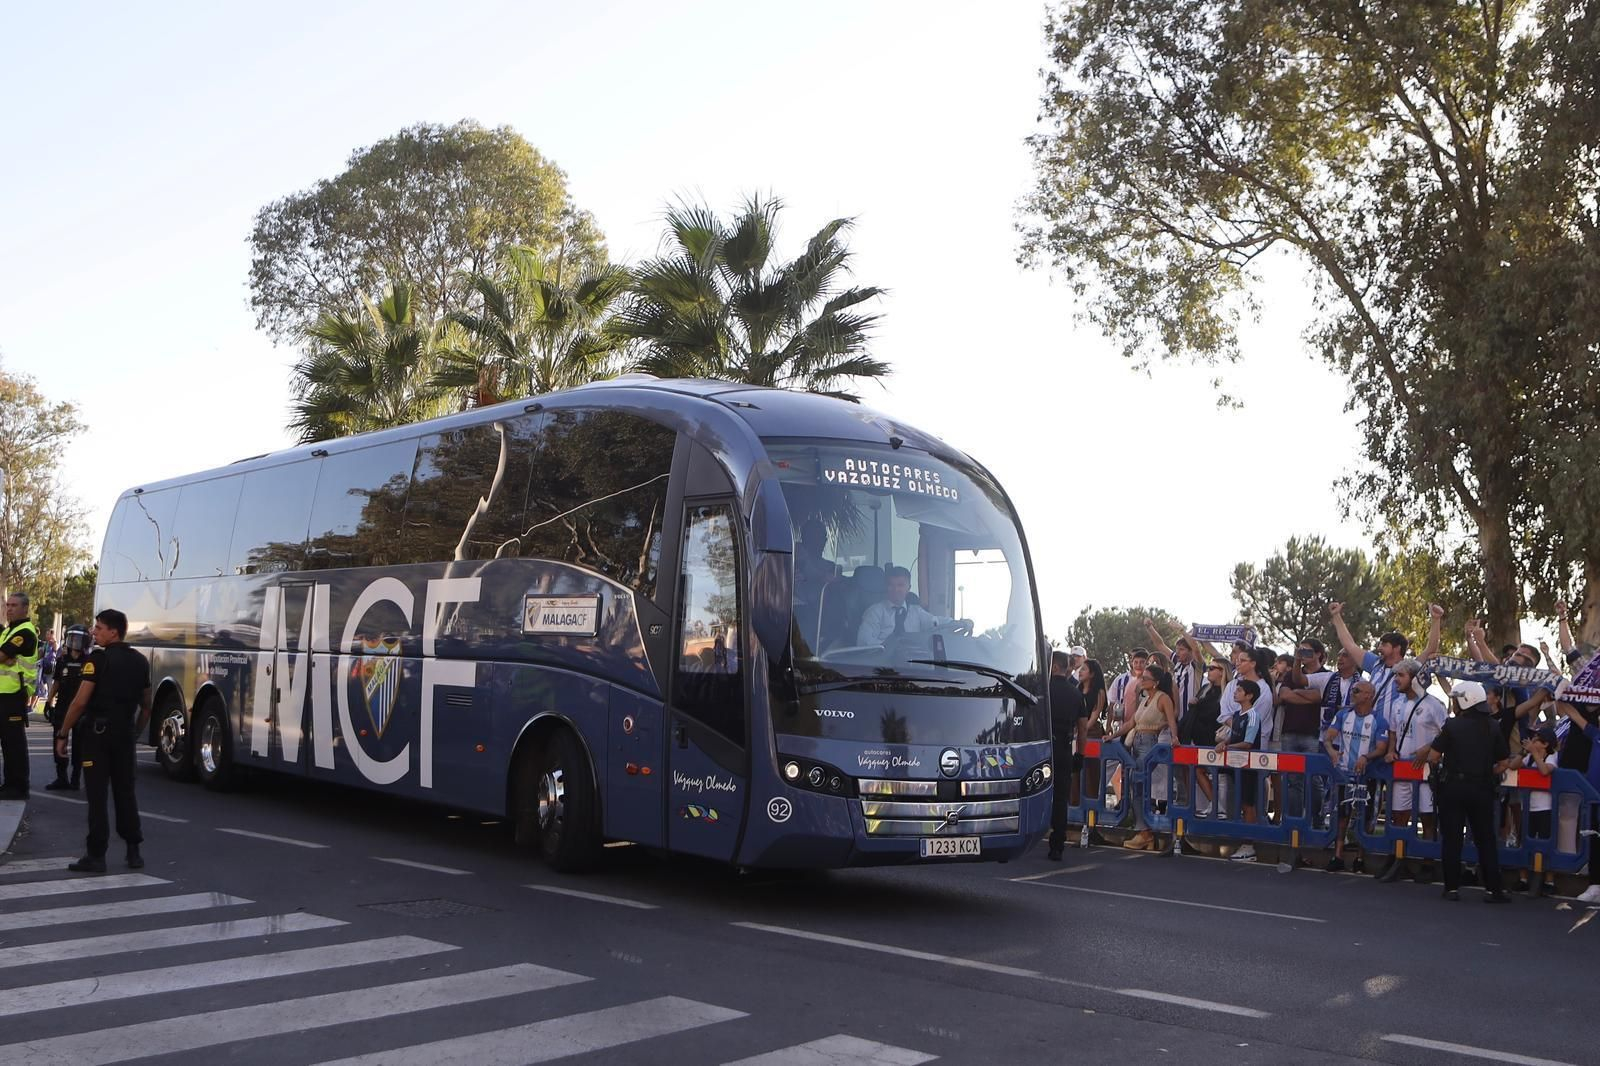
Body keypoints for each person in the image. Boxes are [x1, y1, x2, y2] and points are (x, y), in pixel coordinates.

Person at [55, 609, 151, 873]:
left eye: (99, 628)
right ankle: (134, 851)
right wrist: (135, 732)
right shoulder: (140, 661)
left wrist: (63, 733)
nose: (94, 632)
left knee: (97, 796)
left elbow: (80, 702)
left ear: (114, 632)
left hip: (98, 735)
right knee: (125, 792)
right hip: (125, 736)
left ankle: (96, 855)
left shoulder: (98, 659)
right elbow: (147, 706)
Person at [1412, 679, 1513, 902]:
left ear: (1466, 701)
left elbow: (1434, 756)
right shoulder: (1493, 726)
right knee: (1486, 839)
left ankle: (1451, 888)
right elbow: (1504, 762)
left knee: (1452, 838)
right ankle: (1493, 890)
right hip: (1482, 788)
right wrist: (1488, 772)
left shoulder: (1452, 725)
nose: (1455, 705)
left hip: (1454, 788)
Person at [1381, 658, 1447, 882]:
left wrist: (1427, 749)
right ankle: (1398, 859)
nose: (1396, 680)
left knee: (1427, 818)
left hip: (1425, 771)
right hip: (1402, 769)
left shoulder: (1434, 704)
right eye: (1395, 675)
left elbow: (1447, 733)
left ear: (1416, 679)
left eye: (1401, 676)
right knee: (1399, 815)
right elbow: (1393, 731)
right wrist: (1391, 750)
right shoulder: (1397, 703)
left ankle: (1428, 864)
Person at [1113, 661, 1180, 851]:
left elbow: (1171, 720)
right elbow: (1131, 723)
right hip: (1136, 742)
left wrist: (1174, 737)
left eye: (1145, 678)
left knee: (1139, 784)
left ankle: (1144, 831)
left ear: (1155, 682)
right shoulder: (1144, 700)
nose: (1141, 681)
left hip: (1149, 743)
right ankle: (1143, 831)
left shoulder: (1163, 698)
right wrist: (1113, 735)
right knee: (1135, 786)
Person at [1323, 680, 1388, 872]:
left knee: (1366, 817)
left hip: (1368, 776)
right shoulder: (1343, 714)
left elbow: (1382, 748)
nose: (1353, 693)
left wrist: (1366, 757)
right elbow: (1328, 737)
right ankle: (1338, 856)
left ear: (1369, 695)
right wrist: (1331, 750)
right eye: (1353, 690)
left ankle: (1360, 857)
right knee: (1342, 815)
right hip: (1345, 774)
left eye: (1357, 690)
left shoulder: (1379, 720)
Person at [1046, 650, 1089, 860]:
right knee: (1061, 797)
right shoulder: (1076, 694)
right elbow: (1083, 728)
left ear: (1054, 667)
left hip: (1042, 748)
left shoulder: (1043, 691)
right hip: (1064, 748)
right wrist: (1080, 754)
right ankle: (1057, 844)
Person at [1216, 678, 1264, 861]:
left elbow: (1248, 742)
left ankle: (1249, 845)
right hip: (1234, 762)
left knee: (1248, 804)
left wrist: (1227, 747)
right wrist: (1225, 742)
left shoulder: (1253, 715)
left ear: (1249, 695)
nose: (1235, 693)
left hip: (1247, 765)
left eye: (1239, 691)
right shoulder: (1237, 714)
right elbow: (1235, 735)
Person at [0, 591, 41, 799]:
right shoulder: (9, 631)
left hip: (15, 694)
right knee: (7, 743)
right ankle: (9, 785)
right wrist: (6, 658)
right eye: (8, 605)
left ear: (25, 609)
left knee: (14, 743)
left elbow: (1, 656)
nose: (9, 609)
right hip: (4, 694)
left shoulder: (24, 632)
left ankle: (18, 787)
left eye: (14, 605)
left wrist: (6, 657)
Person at [855, 566, 963, 646]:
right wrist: (890, 645)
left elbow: (936, 622)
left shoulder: (916, 612)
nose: (895, 589)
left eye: (900, 585)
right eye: (891, 585)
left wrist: (958, 623)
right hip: (882, 664)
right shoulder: (874, 612)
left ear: (908, 588)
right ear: (886, 587)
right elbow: (863, 642)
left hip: (912, 664)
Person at [44, 626, 92, 791]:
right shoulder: (62, 660)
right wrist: (48, 701)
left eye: (79, 639)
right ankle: (61, 777)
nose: (75, 642)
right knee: (59, 739)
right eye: (73, 638)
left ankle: (75, 778)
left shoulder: (89, 661)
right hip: (62, 706)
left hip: (81, 709)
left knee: (79, 744)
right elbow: (56, 682)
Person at [1512, 727, 1558, 896]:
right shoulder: (1530, 757)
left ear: (1545, 744)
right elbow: (1513, 765)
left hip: (1545, 807)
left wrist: (1535, 753)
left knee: (1547, 844)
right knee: (1524, 842)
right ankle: (1523, 878)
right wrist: (1524, 752)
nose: (1533, 742)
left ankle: (1549, 881)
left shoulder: (1552, 756)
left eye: (1536, 740)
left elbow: (1545, 770)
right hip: (1528, 807)